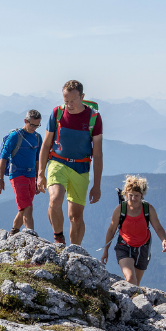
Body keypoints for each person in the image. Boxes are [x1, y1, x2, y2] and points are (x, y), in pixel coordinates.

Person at [37, 80, 103, 246]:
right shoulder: (57, 113)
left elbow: (98, 154)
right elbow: (46, 145)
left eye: (73, 101)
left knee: (76, 216)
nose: (69, 105)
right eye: (66, 101)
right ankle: (58, 238)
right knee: (55, 199)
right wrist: (40, 174)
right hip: (57, 162)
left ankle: (75, 250)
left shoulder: (94, 118)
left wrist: (97, 185)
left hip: (80, 168)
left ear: (82, 97)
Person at [100, 175, 166, 285]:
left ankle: (129, 297)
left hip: (143, 249)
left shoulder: (148, 209)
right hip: (124, 246)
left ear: (142, 195)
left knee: (135, 285)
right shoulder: (120, 209)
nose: (133, 198)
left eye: (136, 195)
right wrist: (105, 251)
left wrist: (164, 240)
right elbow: (111, 230)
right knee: (131, 279)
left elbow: (158, 227)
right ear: (126, 194)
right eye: (130, 195)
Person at [0, 110, 43, 235]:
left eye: (37, 125)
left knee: (23, 208)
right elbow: (3, 158)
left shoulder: (38, 138)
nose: (34, 128)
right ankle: (31, 237)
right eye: (32, 125)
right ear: (25, 121)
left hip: (31, 175)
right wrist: (0, 179)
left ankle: (13, 233)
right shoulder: (15, 136)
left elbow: (38, 160)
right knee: (28, 207)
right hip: (17, 175)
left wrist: (38, 179)